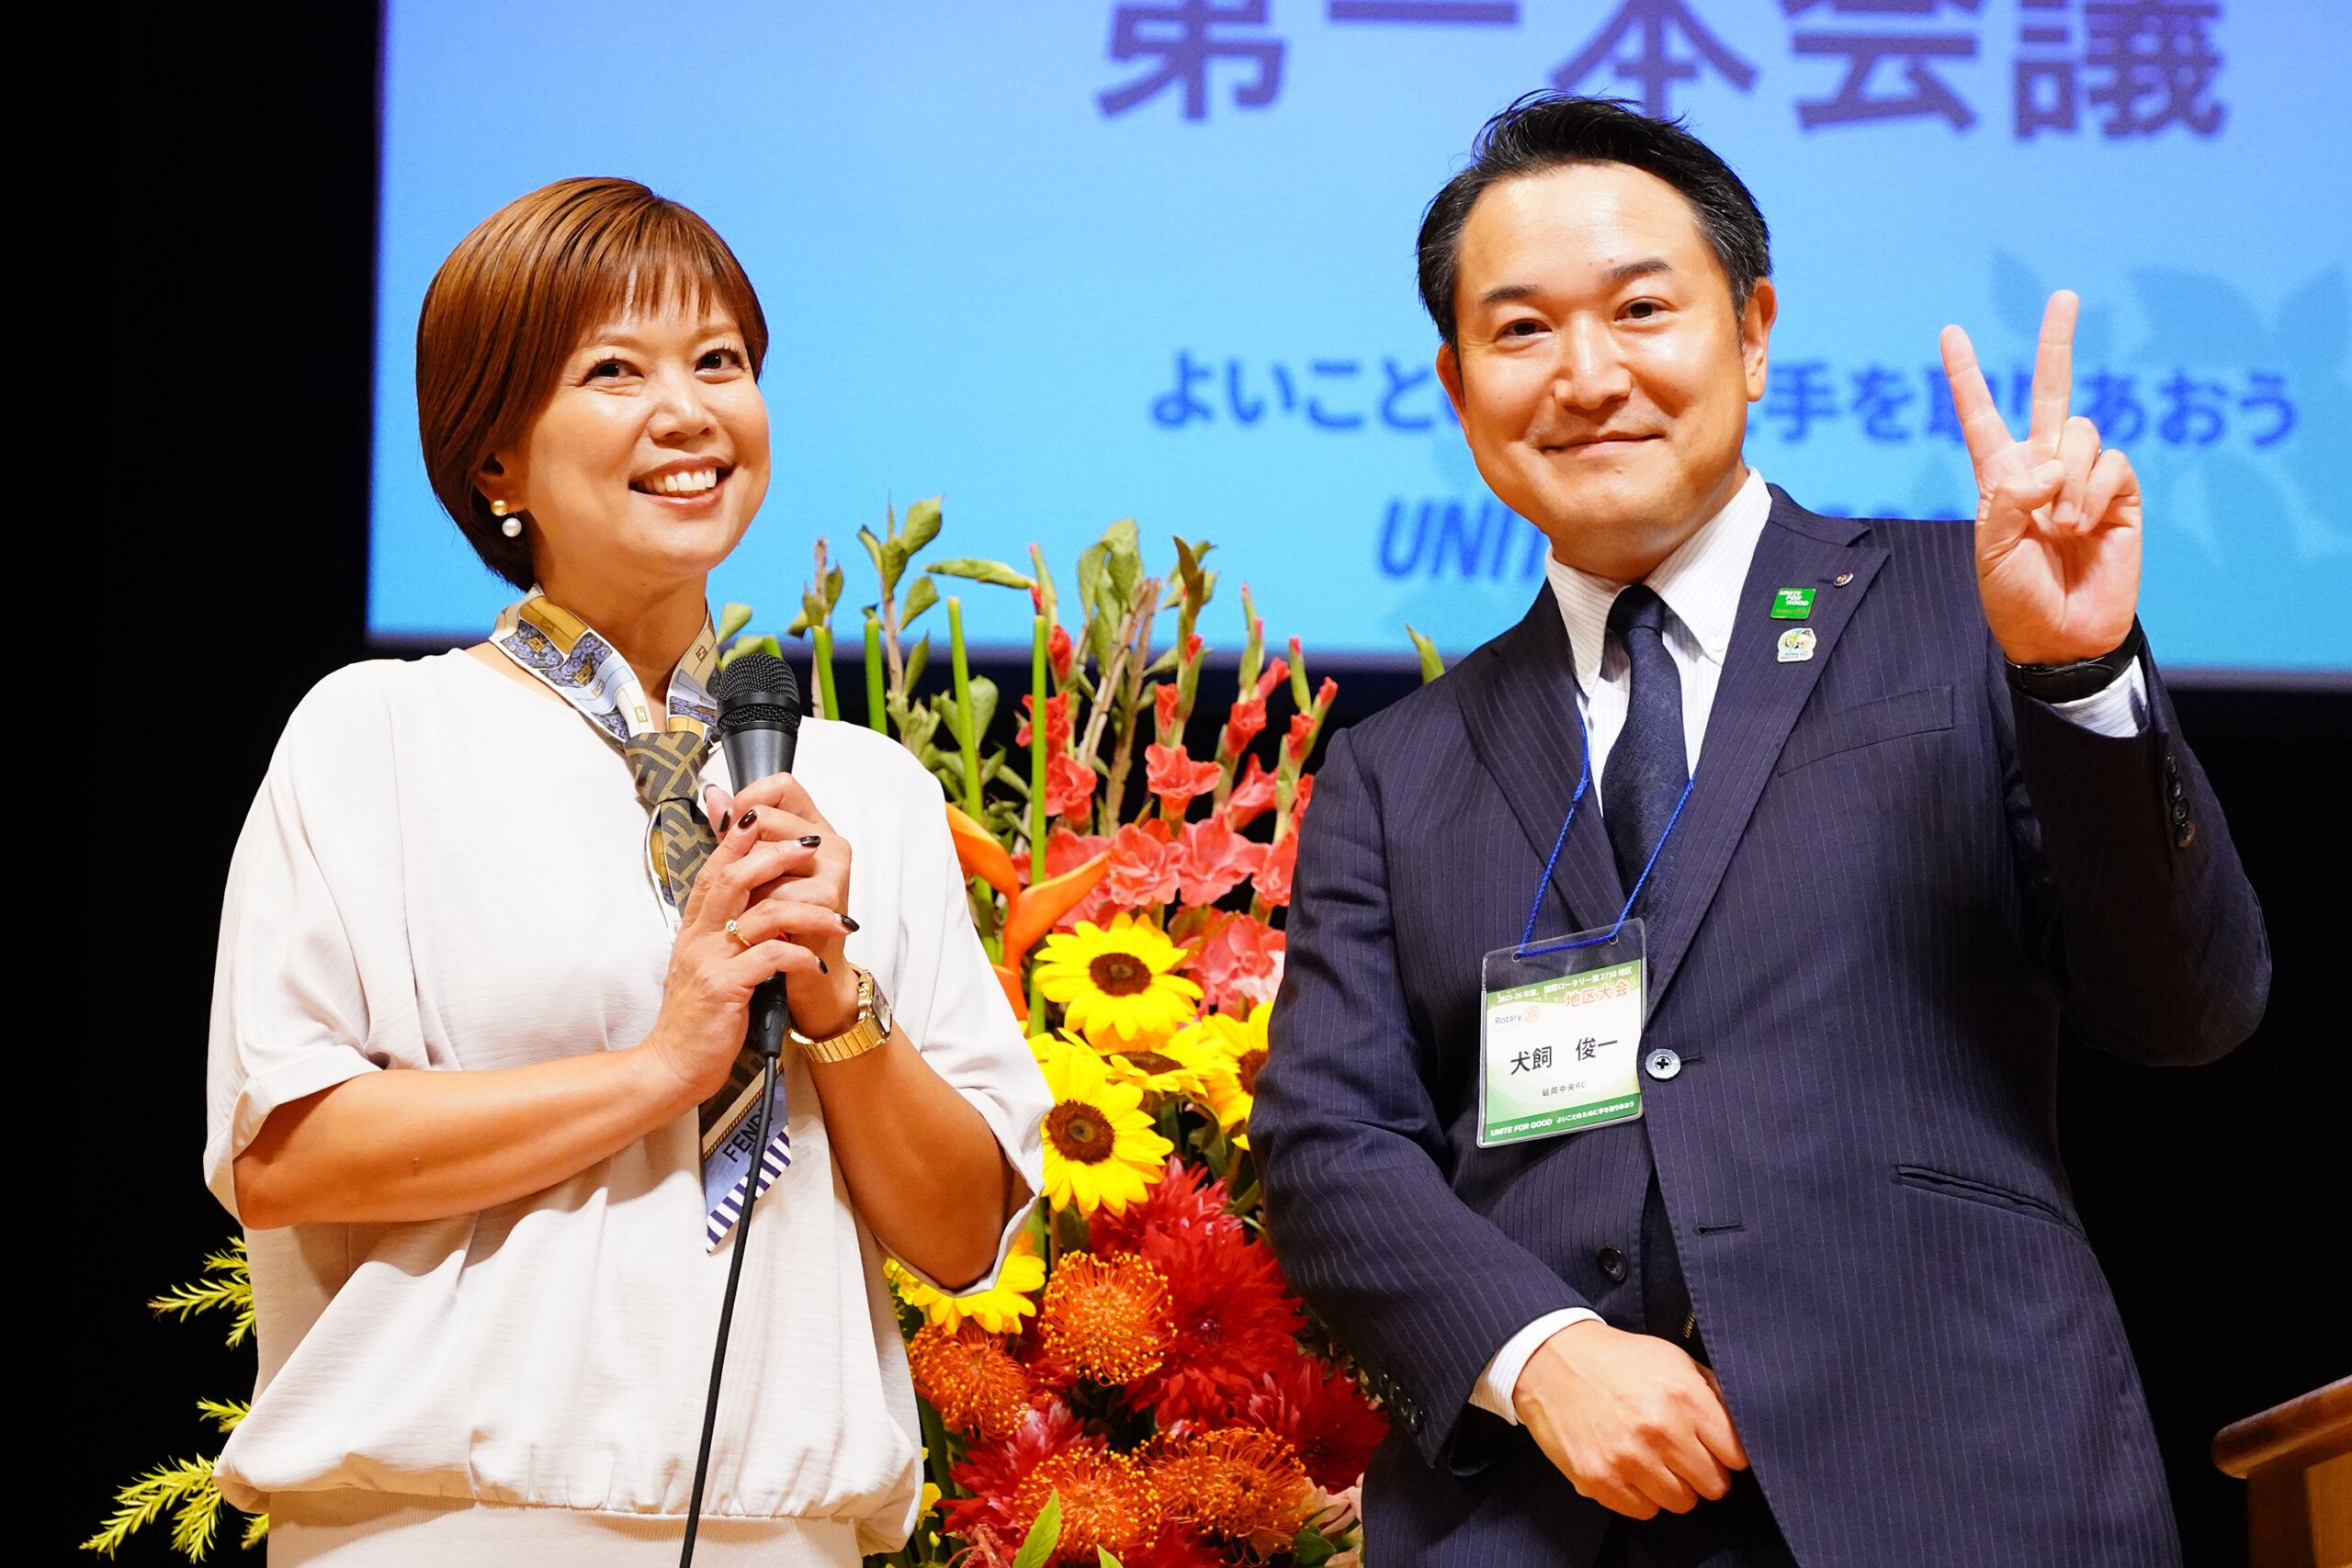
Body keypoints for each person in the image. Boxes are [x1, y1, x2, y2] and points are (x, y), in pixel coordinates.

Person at [1252, 96, 2267, 1568]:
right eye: (1522, 330)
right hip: (1547, 1516)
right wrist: (1540, 1355)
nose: (1588, 376)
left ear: (1753, 331)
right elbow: (1328, 1143)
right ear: (1459, 387)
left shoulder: (1966, 608)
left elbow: (2191, 1006)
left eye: (1641, 310)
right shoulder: (1396, 769)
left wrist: (2076, 674)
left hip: (1955, 1484)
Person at [204, 177, 1047, 1564]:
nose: (689, 412)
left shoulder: (866, 791)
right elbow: (284, 1152)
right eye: (614, 371)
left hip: (787, 1536)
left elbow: (961, 1236)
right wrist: (660, 1069)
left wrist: (836, 1006)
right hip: (448, 1529)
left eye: (720, 361)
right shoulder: (381, 737)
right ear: (494, 459)